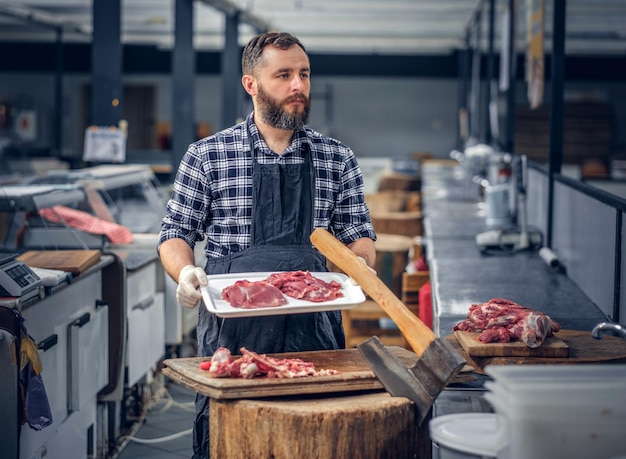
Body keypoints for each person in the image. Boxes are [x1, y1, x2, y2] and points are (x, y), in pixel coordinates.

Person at [157, 31, 376, 458]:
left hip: (316, 334)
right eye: (284, 75)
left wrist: (359, 268)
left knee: (315, 441)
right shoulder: (208, 155)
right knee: (231, 441)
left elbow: (359, 238)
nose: (299, 85)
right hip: (233, 338)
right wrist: (184, 273)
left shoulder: (337, 158)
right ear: (251, 84)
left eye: (304, 74)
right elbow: (175, 233)